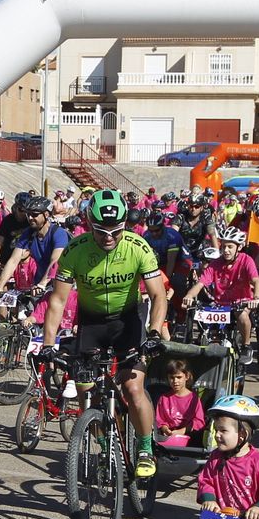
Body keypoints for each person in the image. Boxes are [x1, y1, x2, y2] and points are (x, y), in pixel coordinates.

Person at [37, 189, 170, 479]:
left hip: (128, 323)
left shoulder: (139, 247)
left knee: (134, 389)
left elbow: (159, 296)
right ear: (88, 223)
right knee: (87, 394)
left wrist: (155, 332)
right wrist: (48, 345)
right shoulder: (76, 250)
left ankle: (146, 447)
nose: (108, 237)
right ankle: (105, 443)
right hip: (92, 324)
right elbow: (57, 300)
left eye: (116, 231)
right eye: (100, 231)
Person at [182, 224, 259, 363]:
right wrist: (189, 296)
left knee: (242, 315)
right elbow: (201, 283)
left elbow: (256, 282)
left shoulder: (246, 260)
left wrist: (256, 298)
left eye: (230, 247)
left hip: (241, 301)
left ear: (239, 247)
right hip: (220, 304)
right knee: (207, 328)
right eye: (223, 246)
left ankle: (246, 345)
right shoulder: (216, 263)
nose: (226, 250)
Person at [0, 194, 69, 302]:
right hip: (37, 285)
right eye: (28, 214)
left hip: (57, 283)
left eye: (35, 215)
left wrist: (43, 283)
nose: (30, 218)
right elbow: (13, 260)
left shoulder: (58, 233)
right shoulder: (29, 233)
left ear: (46, 214)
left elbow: (55, 261)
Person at [153, 357, 204, 448]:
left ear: (187, 376)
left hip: (189, 437)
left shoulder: (194, 399)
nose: (175, 381)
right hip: (167, 437)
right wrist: (165, 429)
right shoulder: (164, 398)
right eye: (172, 378)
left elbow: (199, 422)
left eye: (179, 377)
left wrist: (181, 431)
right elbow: (160, 420)